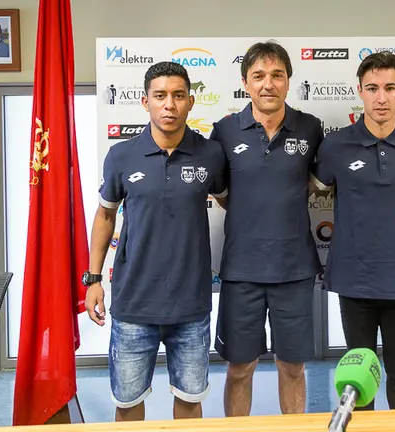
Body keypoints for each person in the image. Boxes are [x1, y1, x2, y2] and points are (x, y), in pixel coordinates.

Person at [83, 61, 228, 421]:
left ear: (191, 102)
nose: (169, 104)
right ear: (145, 102)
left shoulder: (210, 154)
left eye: (178, 96)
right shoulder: (121, 156)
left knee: (190, 401)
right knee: (128, 405)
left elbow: (231, 201)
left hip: (191, 305)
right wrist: (94, 278)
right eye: (160, 96)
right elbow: (104, 215)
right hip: (134, 304)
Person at [312, 52, 395, 410]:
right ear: (360, 92)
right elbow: (311, 190)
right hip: (354, 281)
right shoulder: (335, 145)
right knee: (359, 384)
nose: (380, 98)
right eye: (372, 88)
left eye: (388, 88)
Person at [210, 40, 324, 416]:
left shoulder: (310, 128)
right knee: (240, 368)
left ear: (289, 81)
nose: (268, 84)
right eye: (258, 76)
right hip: (242, 271)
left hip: (294, 270)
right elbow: (223, 194)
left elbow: (315, 183)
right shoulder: (224, 132)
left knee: (292, 366)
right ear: (246, 83)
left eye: (277, 75)